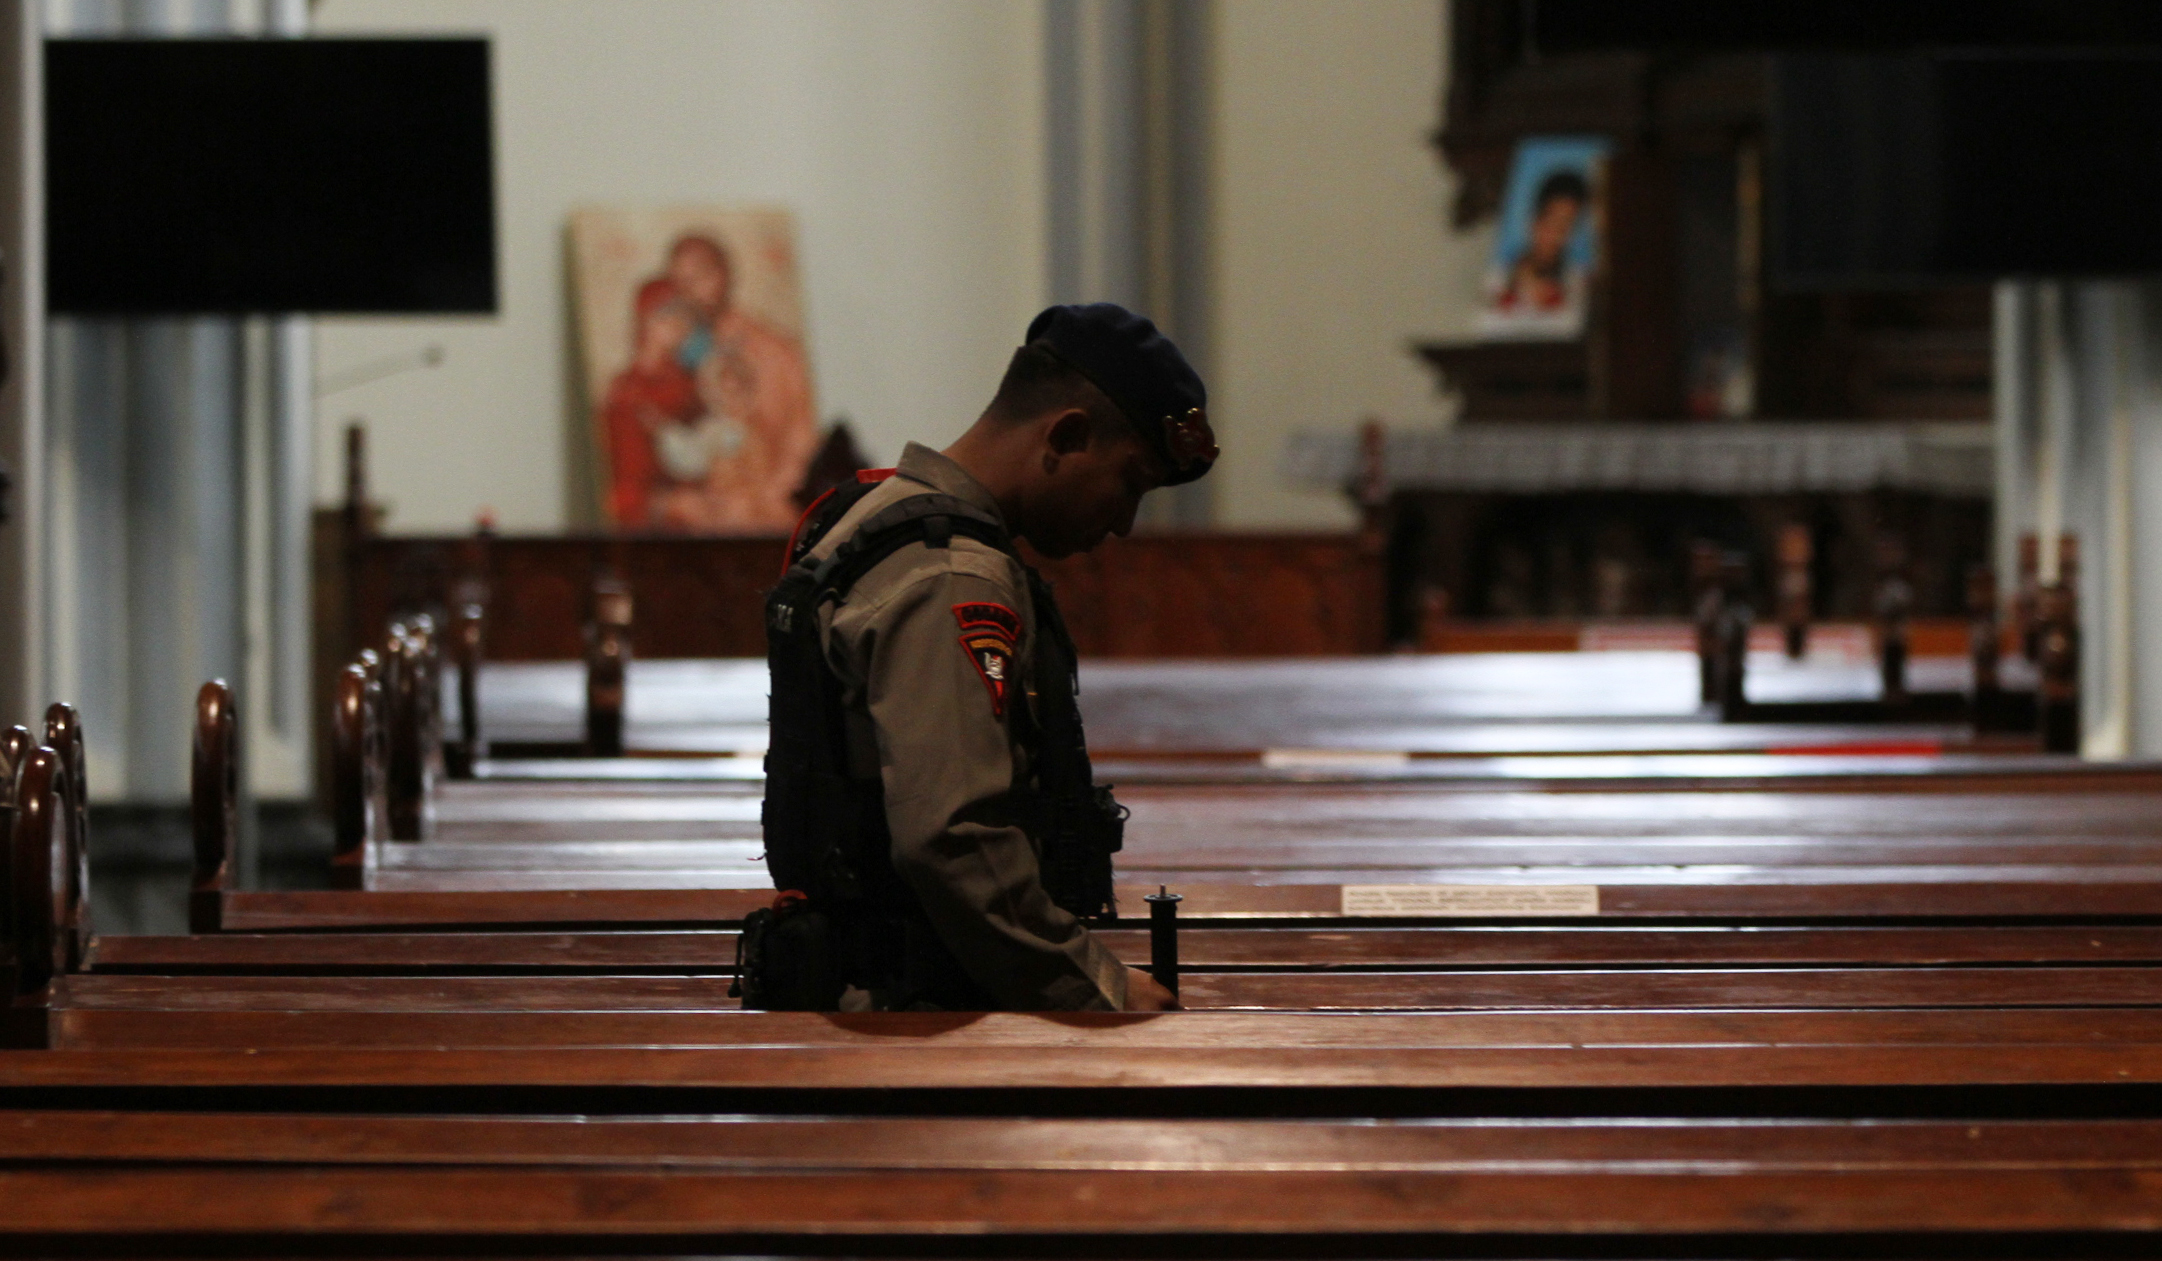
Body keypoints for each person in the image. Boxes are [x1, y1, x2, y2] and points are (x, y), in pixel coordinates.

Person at [747, 303, 1217, 1013]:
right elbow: (955, 840)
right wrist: (1099, 986)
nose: (1124, 521)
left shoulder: (870, 514)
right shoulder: (951, 573)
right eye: (1129, 483)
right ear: (1067, 435)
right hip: (921, 1012)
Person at [1496, 168, 1590, 315]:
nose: (1558, 237)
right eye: (1552, 223)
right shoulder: (1497, 281)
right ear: (1534, 222)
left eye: (1567, 227)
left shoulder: (1578, 291)